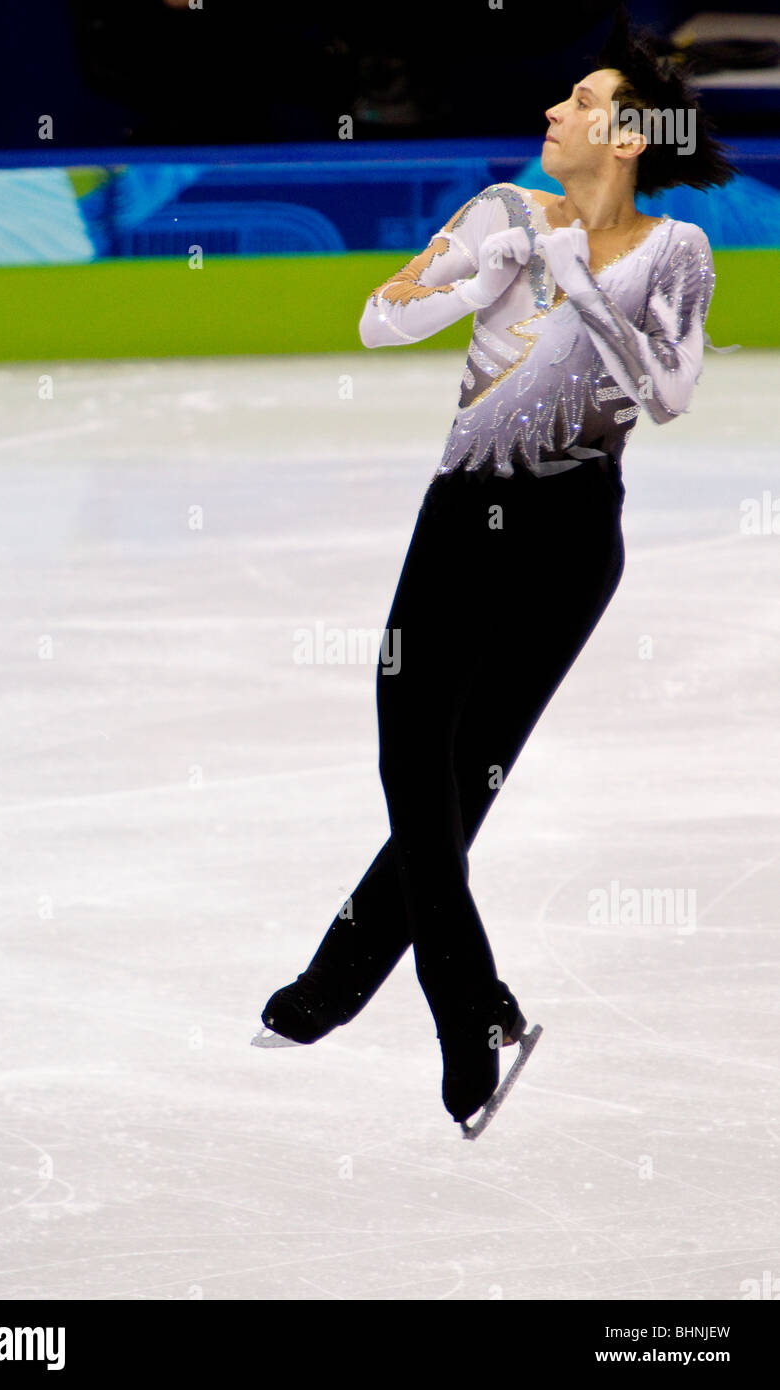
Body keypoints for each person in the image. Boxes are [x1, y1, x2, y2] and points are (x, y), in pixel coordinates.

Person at [254, 7, 737, 1126]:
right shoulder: (501, 210)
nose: (550, 112)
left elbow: (666, 396)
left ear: (630, 135)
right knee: (412, 765)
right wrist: (474, 288)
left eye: (577, 101)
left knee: (462, 780)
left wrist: (575, 284)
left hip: (572, 537)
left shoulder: (675, 251)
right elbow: (377, 318)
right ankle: (462, 1004)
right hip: (459, 516)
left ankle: (375, 998)